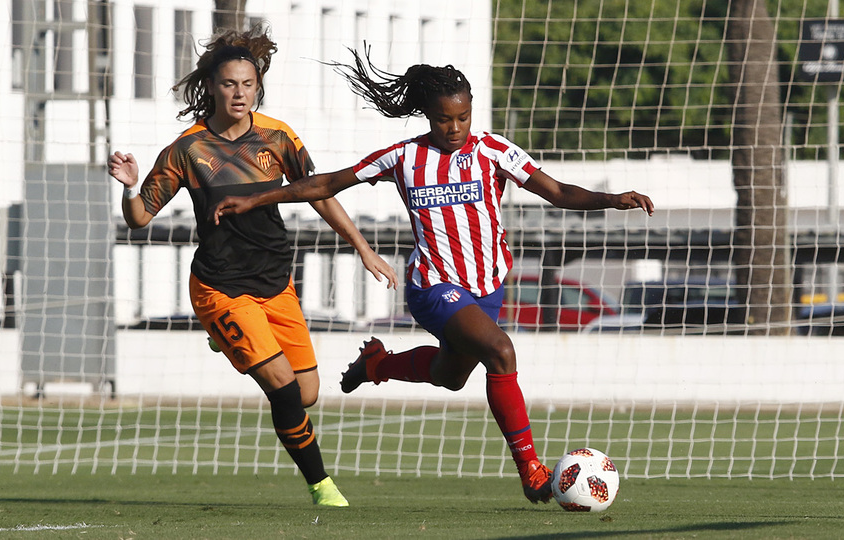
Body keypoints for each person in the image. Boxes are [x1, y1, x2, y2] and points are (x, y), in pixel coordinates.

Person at [211, 50, 654, 505]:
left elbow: (557, 192)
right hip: (433, 284)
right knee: (501, 351)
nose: (455, 127)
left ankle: (378, 364)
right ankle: (531, 470)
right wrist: (257, 199)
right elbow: (327, 184)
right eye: (444, 119)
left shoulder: (494, 151)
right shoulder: (404, 157)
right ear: (428, 115)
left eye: (463, 117)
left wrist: (611, 199)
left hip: (487, 287)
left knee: (450, 375)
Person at [108, 27, 397, 507]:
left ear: (257, 85)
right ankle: (323, 488)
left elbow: (319, 193)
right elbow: (139, 219)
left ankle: (223, 337)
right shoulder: (189, 149)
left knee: (306, 393)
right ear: (211, 86)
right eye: (229, 84)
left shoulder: (277, 137)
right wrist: (130, 186)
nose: (239, 93)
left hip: (275, 282)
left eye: (247, 84)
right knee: (283, 388)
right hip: (220, 286)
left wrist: (364, 249)